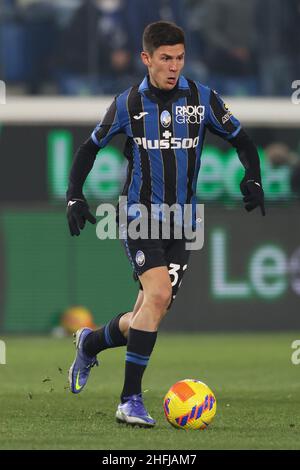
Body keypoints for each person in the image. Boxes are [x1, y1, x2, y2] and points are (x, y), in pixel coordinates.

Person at [66, 21, 265, 427]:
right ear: (146, 59)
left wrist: (253, 177)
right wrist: (74, 195)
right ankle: (129, 400)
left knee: (150, 311)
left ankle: (90, 341)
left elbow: (242, 140)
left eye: (179, 58)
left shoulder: (202, 99)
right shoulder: (127, 105)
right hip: (138, 216)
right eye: (165, 59)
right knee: (156, 297)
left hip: (184, 221)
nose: (174, 66)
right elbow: (89, 149)